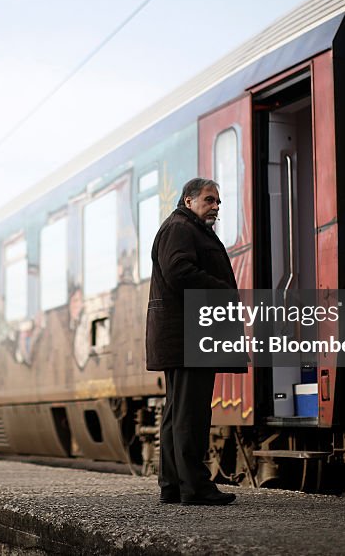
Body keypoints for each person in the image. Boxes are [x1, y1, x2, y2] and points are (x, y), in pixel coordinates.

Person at [146, 177, 244, 506]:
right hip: (190, 335)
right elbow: (178, 271)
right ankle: (195, 487)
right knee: (191, 415)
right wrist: (223, 290)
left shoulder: (186, 228)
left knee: (178, 413)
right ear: (189, 201)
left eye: (218, 201)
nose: (215, 206)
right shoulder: (180, 229)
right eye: (209, 200)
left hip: (187, 335)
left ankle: (173, 486)